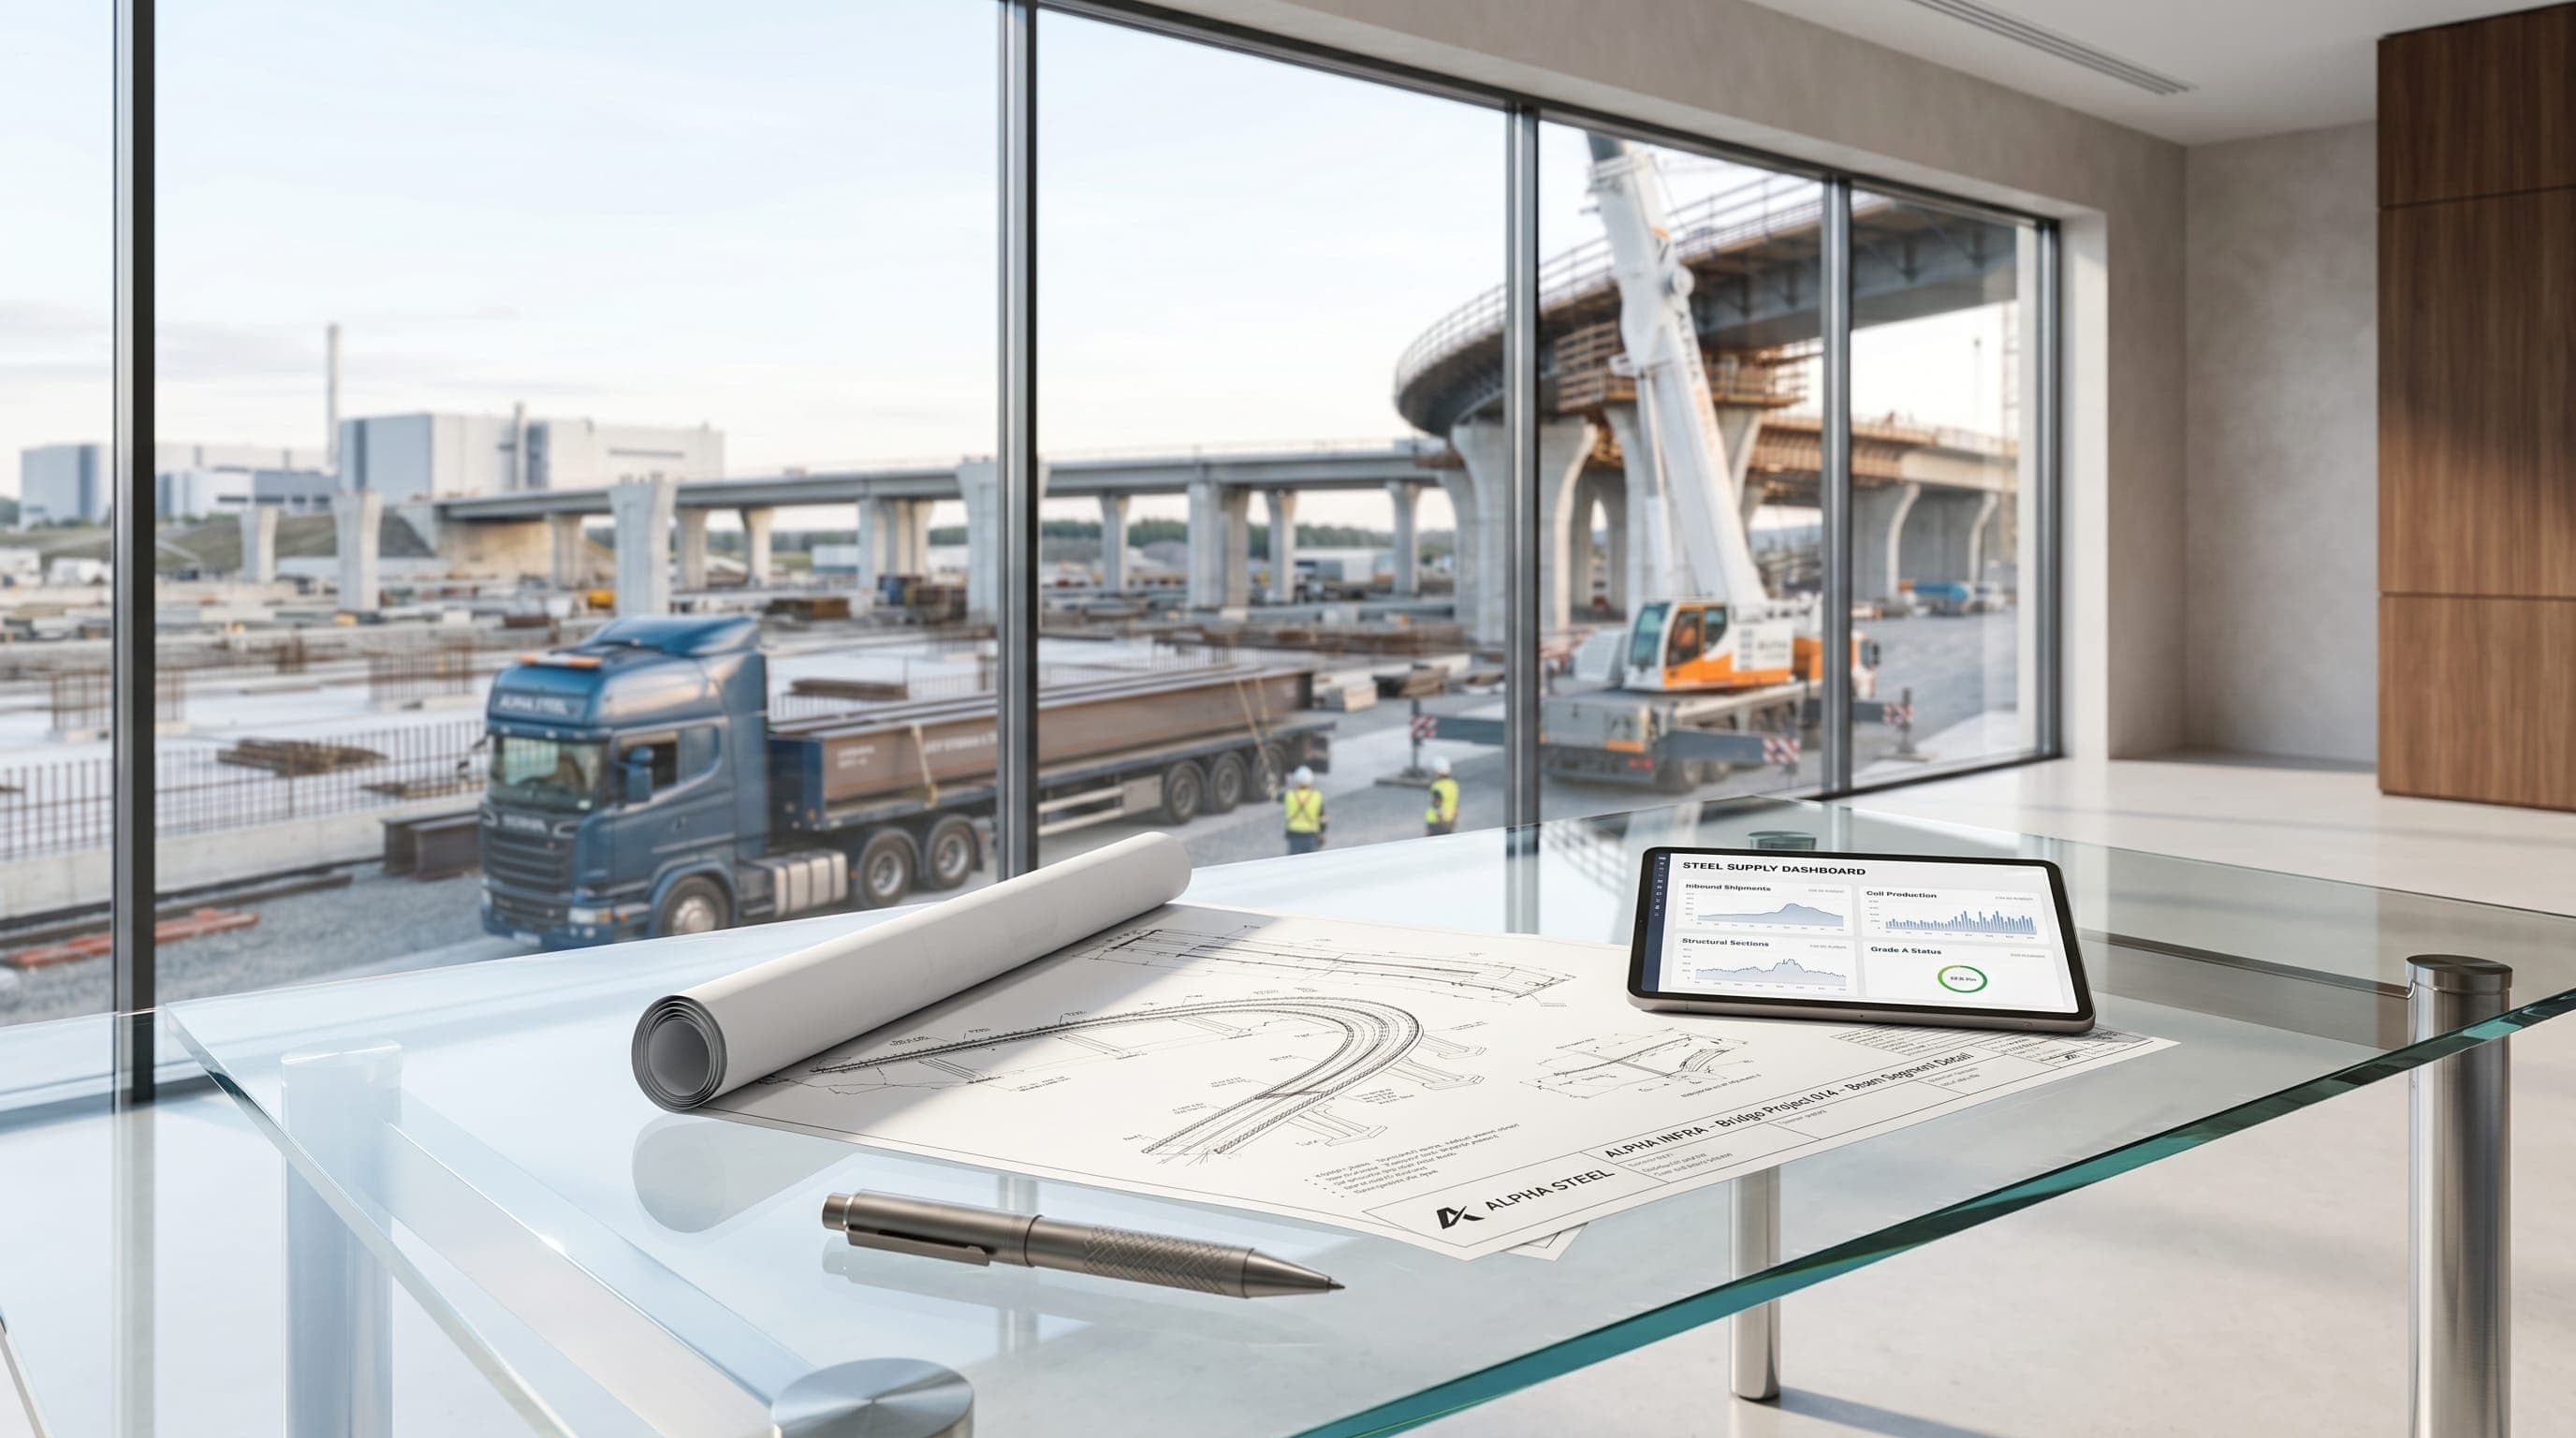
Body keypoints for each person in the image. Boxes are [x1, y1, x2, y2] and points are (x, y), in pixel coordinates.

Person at [1281, 765, 1325, 855]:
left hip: (1294, 836)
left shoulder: (1289, 795)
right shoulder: (1316, 796)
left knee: (1294, 864)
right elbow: (1323, 819)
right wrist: (1322, 832)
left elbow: (1274, 796)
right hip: (1311, 836)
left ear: (1296, 781)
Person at [1423, 755, 1459, 836]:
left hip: (1437, 823)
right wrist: (1452, 822)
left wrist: (1441, 821)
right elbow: (1455, 805)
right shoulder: (1453, 784)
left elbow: (1437, 805)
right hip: (1450, 821)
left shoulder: (1437, 786)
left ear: (1437, 771)